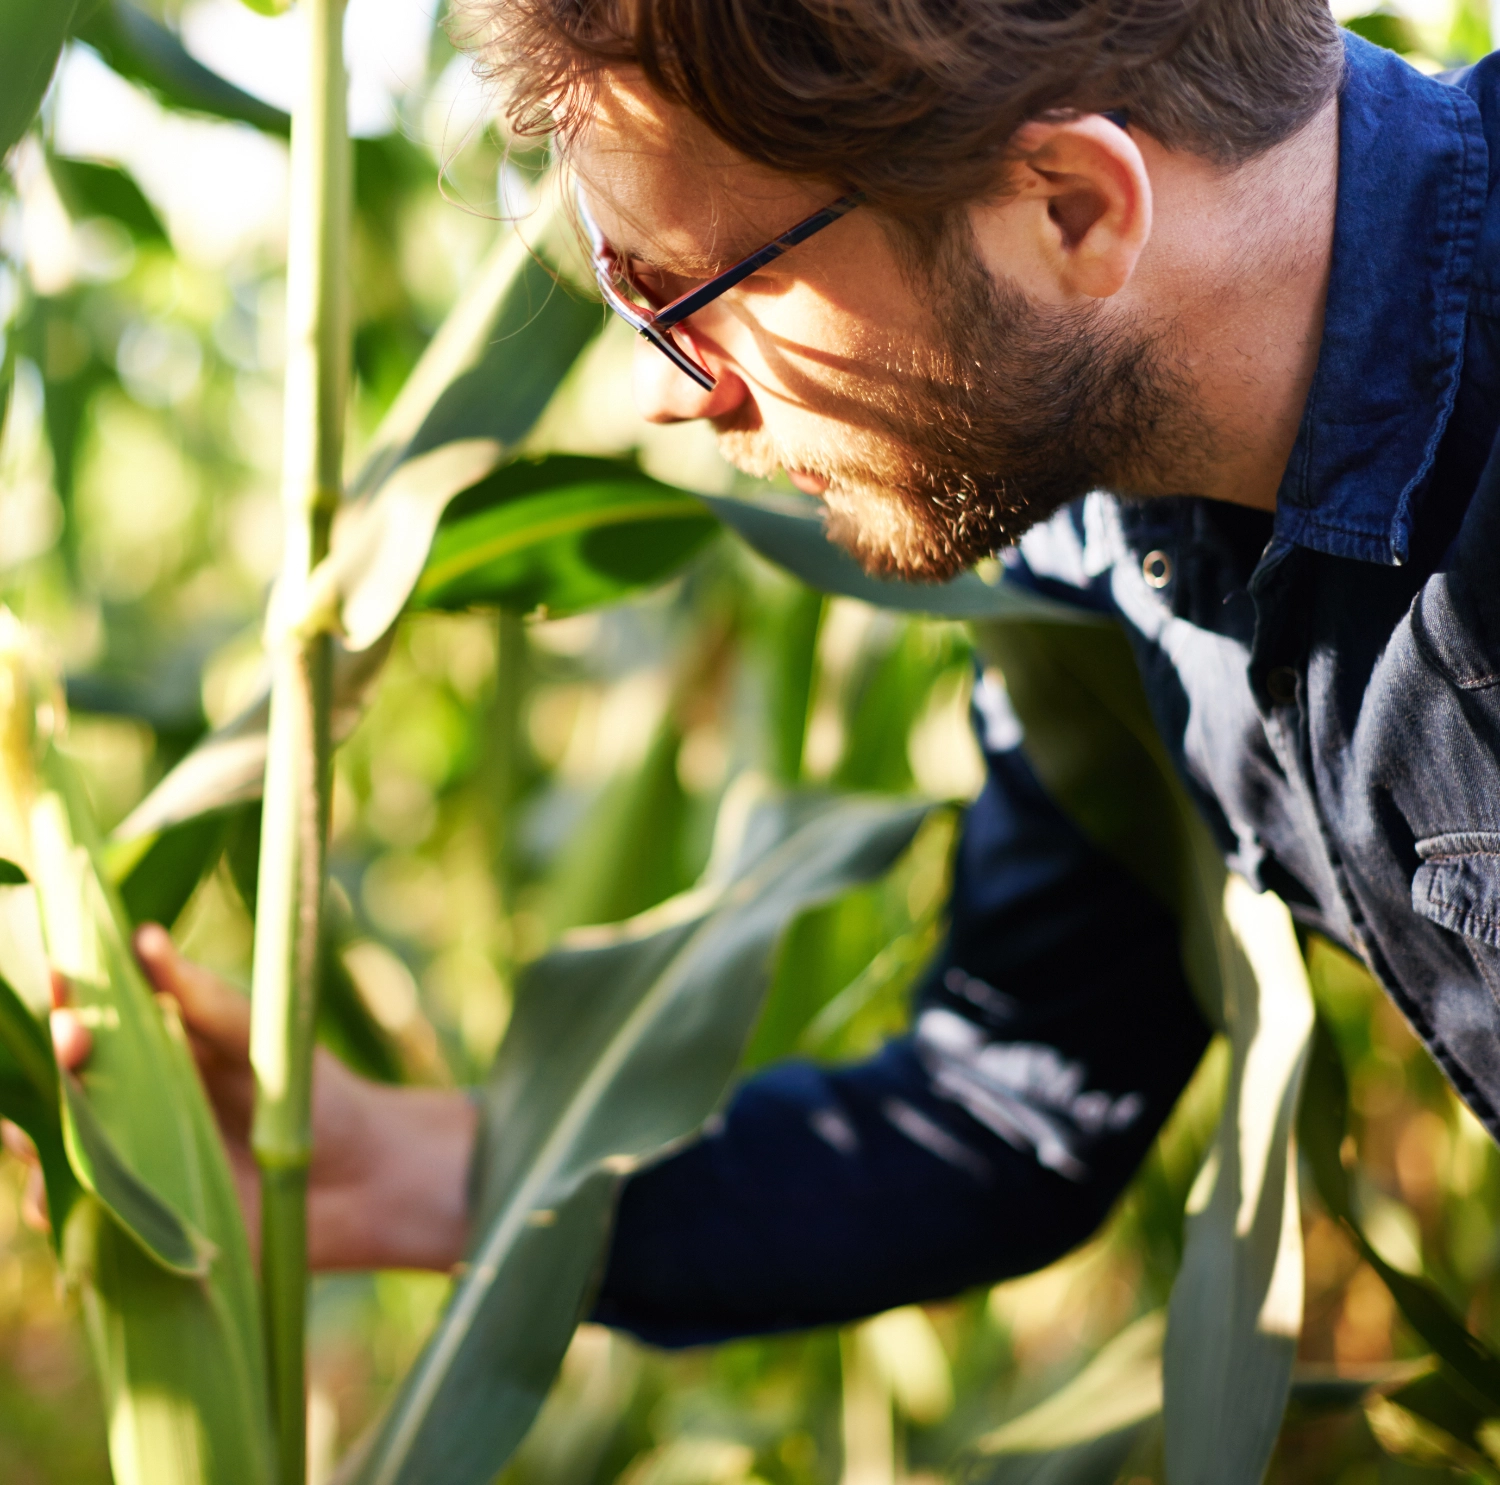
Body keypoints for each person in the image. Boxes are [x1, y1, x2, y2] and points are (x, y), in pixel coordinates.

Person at [16, 0, 1500, 1345]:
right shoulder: (1102, 559)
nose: (677, 398)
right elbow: (1010, 1102)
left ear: (1069, 206)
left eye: (690, 294)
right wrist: (406, 1173)